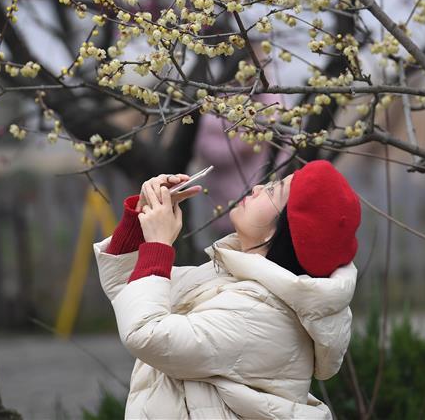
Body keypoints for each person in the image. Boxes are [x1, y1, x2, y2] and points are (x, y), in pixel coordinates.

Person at [93, 160, 361, 418]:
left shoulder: (260, 314)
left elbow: (145, 333)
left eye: (271, 191)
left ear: (281, 232)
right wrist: (140, 220)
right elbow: (131, 291)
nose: (257, 188)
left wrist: (159, 245)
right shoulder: (233, 277)